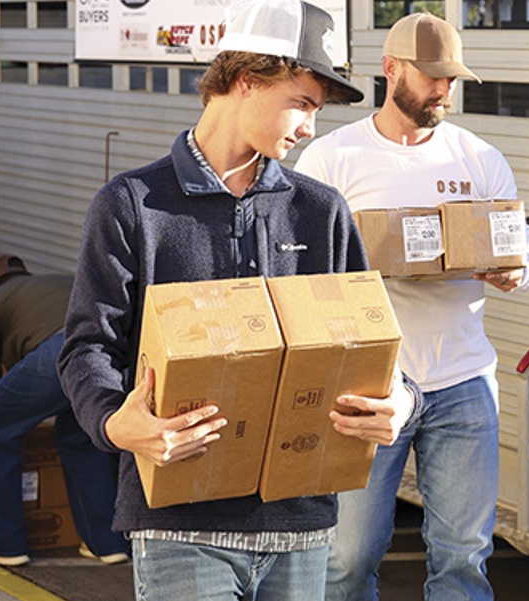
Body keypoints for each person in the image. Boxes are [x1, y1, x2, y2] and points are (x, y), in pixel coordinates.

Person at [58, 0, 419, 597]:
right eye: (301, 103)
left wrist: (401, 402)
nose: (309, 127)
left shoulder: (321, 210)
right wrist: (115, 423)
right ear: (248, 78)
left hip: (302, 527)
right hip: (181, 525)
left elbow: (371, 343)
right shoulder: (133, 206)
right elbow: (87, 348)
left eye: (316, 111)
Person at [292, 13, 529, 600]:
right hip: (369, 384)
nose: (443, 91)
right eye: (432, 78)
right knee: (348, 558)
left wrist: (516, 268)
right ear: (390, 70)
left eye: (451, 80)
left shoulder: (477, 158)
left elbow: (524, 249)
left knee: (464, 557)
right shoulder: (332, 161)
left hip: (463, 381)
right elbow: (297, 267)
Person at [0, 255, 128, 567]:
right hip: (114, 355)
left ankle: (1, 543)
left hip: (65, 351)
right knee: (81, 438)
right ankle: (106, 542)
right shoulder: (48, 284)